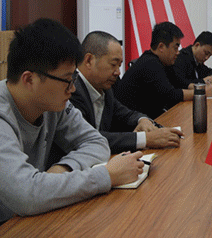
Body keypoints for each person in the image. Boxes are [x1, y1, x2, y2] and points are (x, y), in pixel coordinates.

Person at [0, 18, 143, 224]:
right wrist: (106, 176)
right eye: (67, 80)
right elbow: (26, 195)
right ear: (29, 79)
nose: (73, 89)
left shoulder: (53, 105)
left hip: (29, 220)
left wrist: (64, 169)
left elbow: (97, 142)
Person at [72, 31, 184, 153]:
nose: (118, 72)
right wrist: (145, 139)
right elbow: (88, 138)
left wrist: (143, 120)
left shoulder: (104, 88)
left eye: (119, 65)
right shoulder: (71, 90)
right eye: (113, 64)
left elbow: (125, 114)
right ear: (89, 60)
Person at [114, 21, 195, 119]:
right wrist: (201, 93)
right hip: (133, 122)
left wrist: (200, 88)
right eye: (175, 48)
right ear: (161, 47)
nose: (178, 52)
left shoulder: (164, 62)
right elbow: (170, 95)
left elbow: (180, 83)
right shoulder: (150, 63)